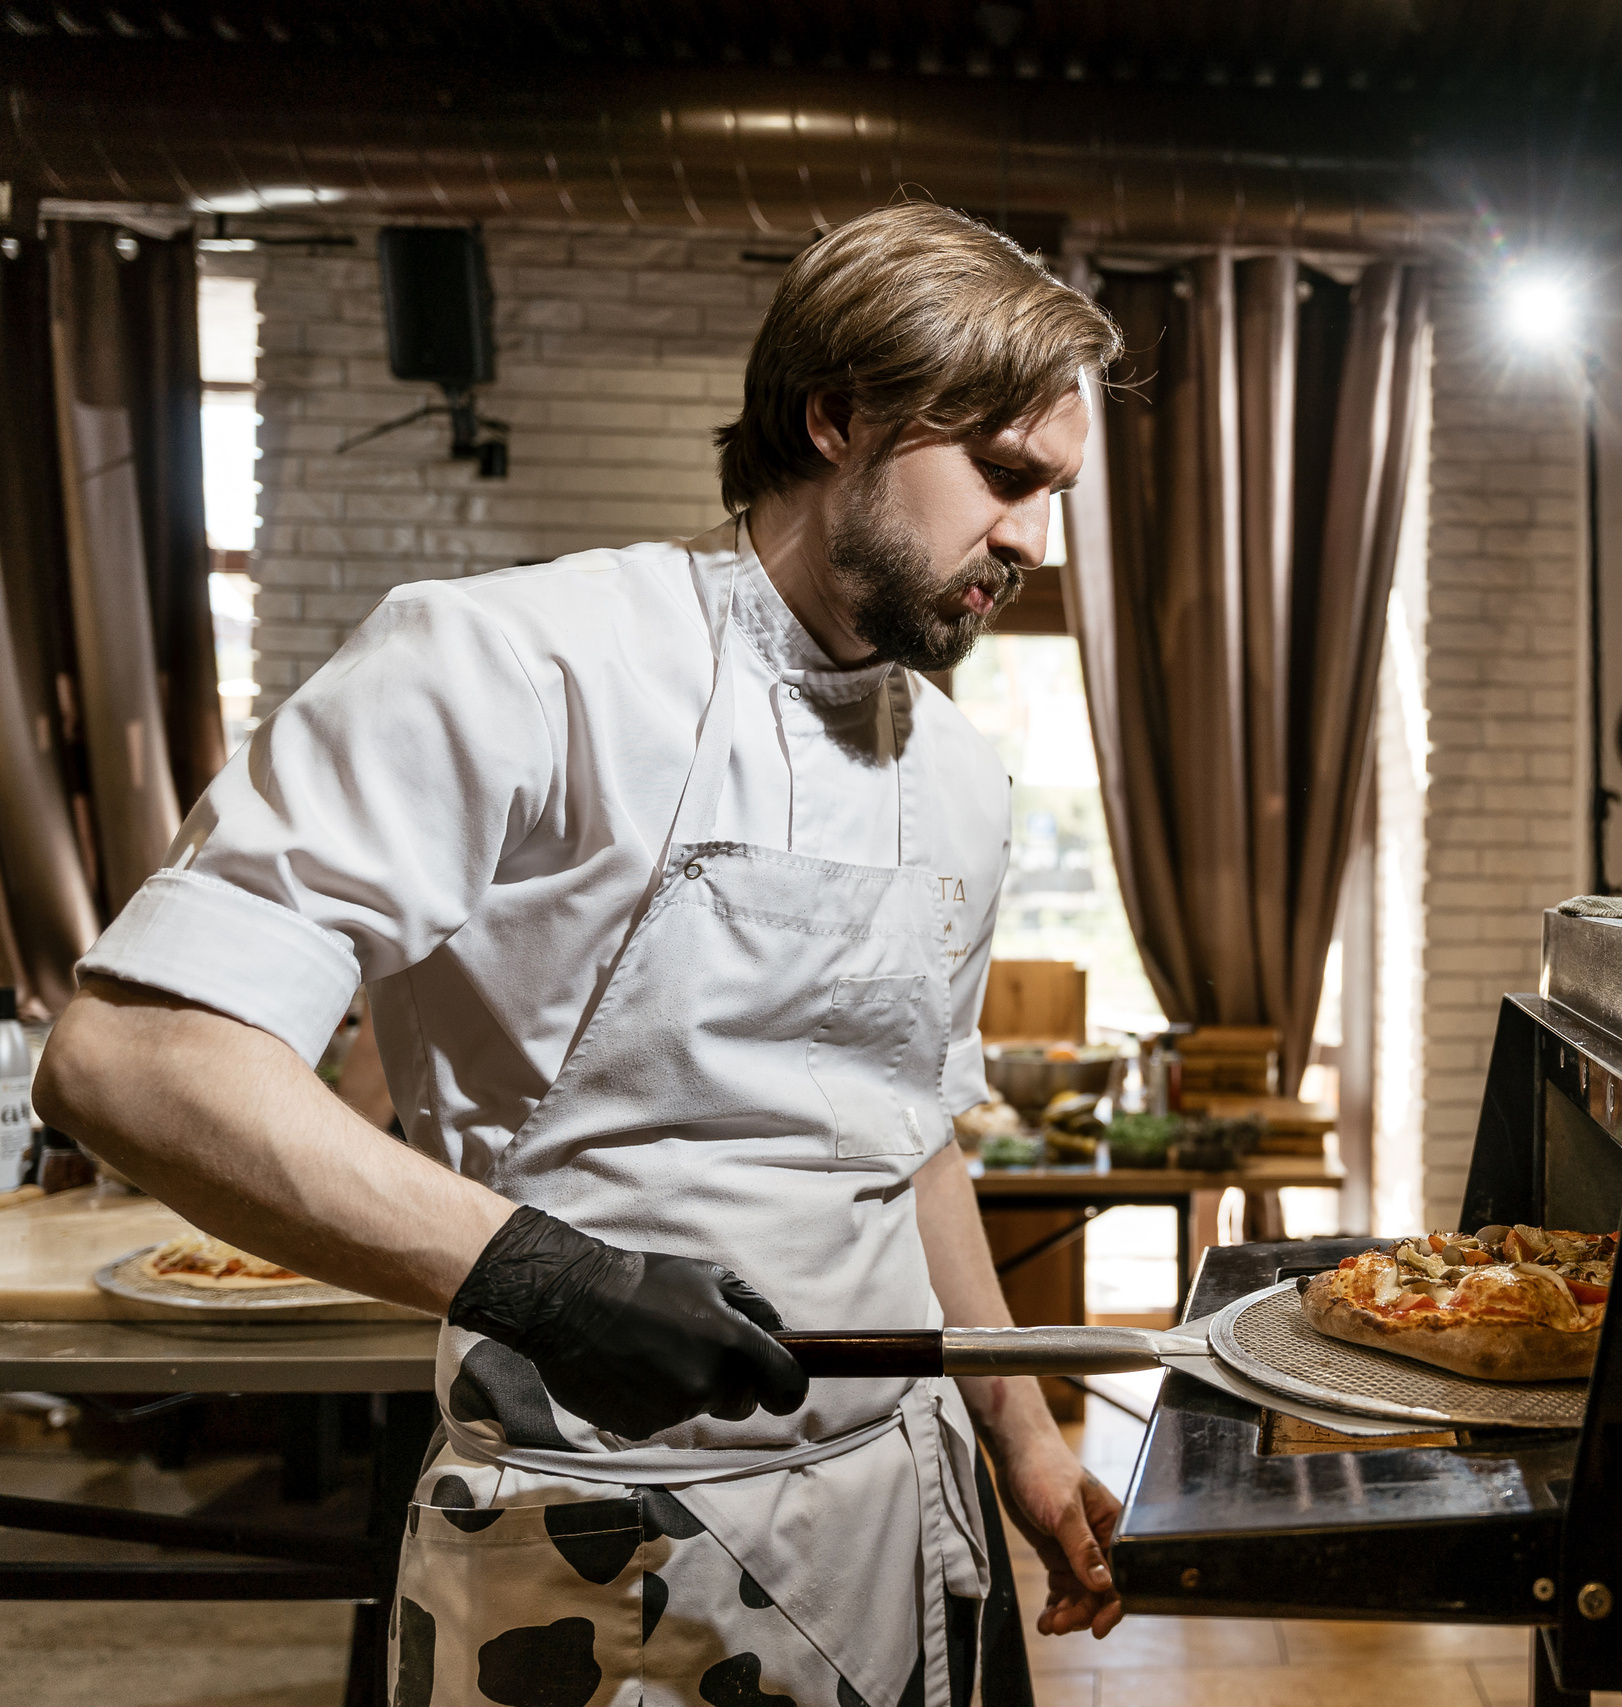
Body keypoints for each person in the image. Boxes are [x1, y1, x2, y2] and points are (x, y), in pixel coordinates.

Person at [35, 202, 1125, 1707]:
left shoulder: (957, 773)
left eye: (1055, 492)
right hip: (596, 1546)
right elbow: (135, 1059)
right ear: (834, 417)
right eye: (1006, 478)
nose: (1035, 541)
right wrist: (546, 1284)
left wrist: (1022, 1435)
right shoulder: (512, 665)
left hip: (908, 1526)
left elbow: (911, 1138)